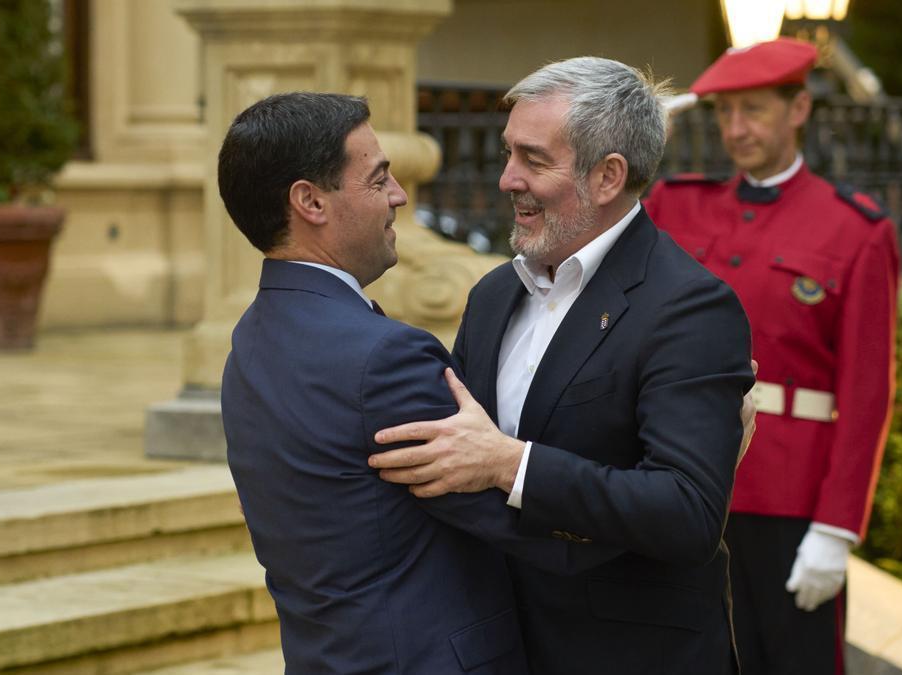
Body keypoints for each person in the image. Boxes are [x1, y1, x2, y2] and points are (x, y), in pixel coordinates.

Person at [370, 57, 757, 675]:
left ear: (608, 177)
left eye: (534, 160)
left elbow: (687, 512)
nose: (506, 179)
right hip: (498, 644)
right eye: (507, 154)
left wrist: (509, 465)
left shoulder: (688, 306)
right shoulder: (495, 293)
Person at [219, 92, 627, 674]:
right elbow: (524, 519)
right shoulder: (383, 357)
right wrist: (676, 494)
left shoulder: (252, 337)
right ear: (310, 201)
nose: (399, 197)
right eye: (378, 178)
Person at [643, 38, 901, 675]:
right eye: (725, 113)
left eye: (754, 110)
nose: (736, 129)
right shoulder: (678, 204)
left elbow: (866, 392)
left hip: (791, 496)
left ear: (799, 109)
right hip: (681, 474)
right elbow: (599, 223)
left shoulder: (856, 230)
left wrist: (838, 530)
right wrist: (645, 128)